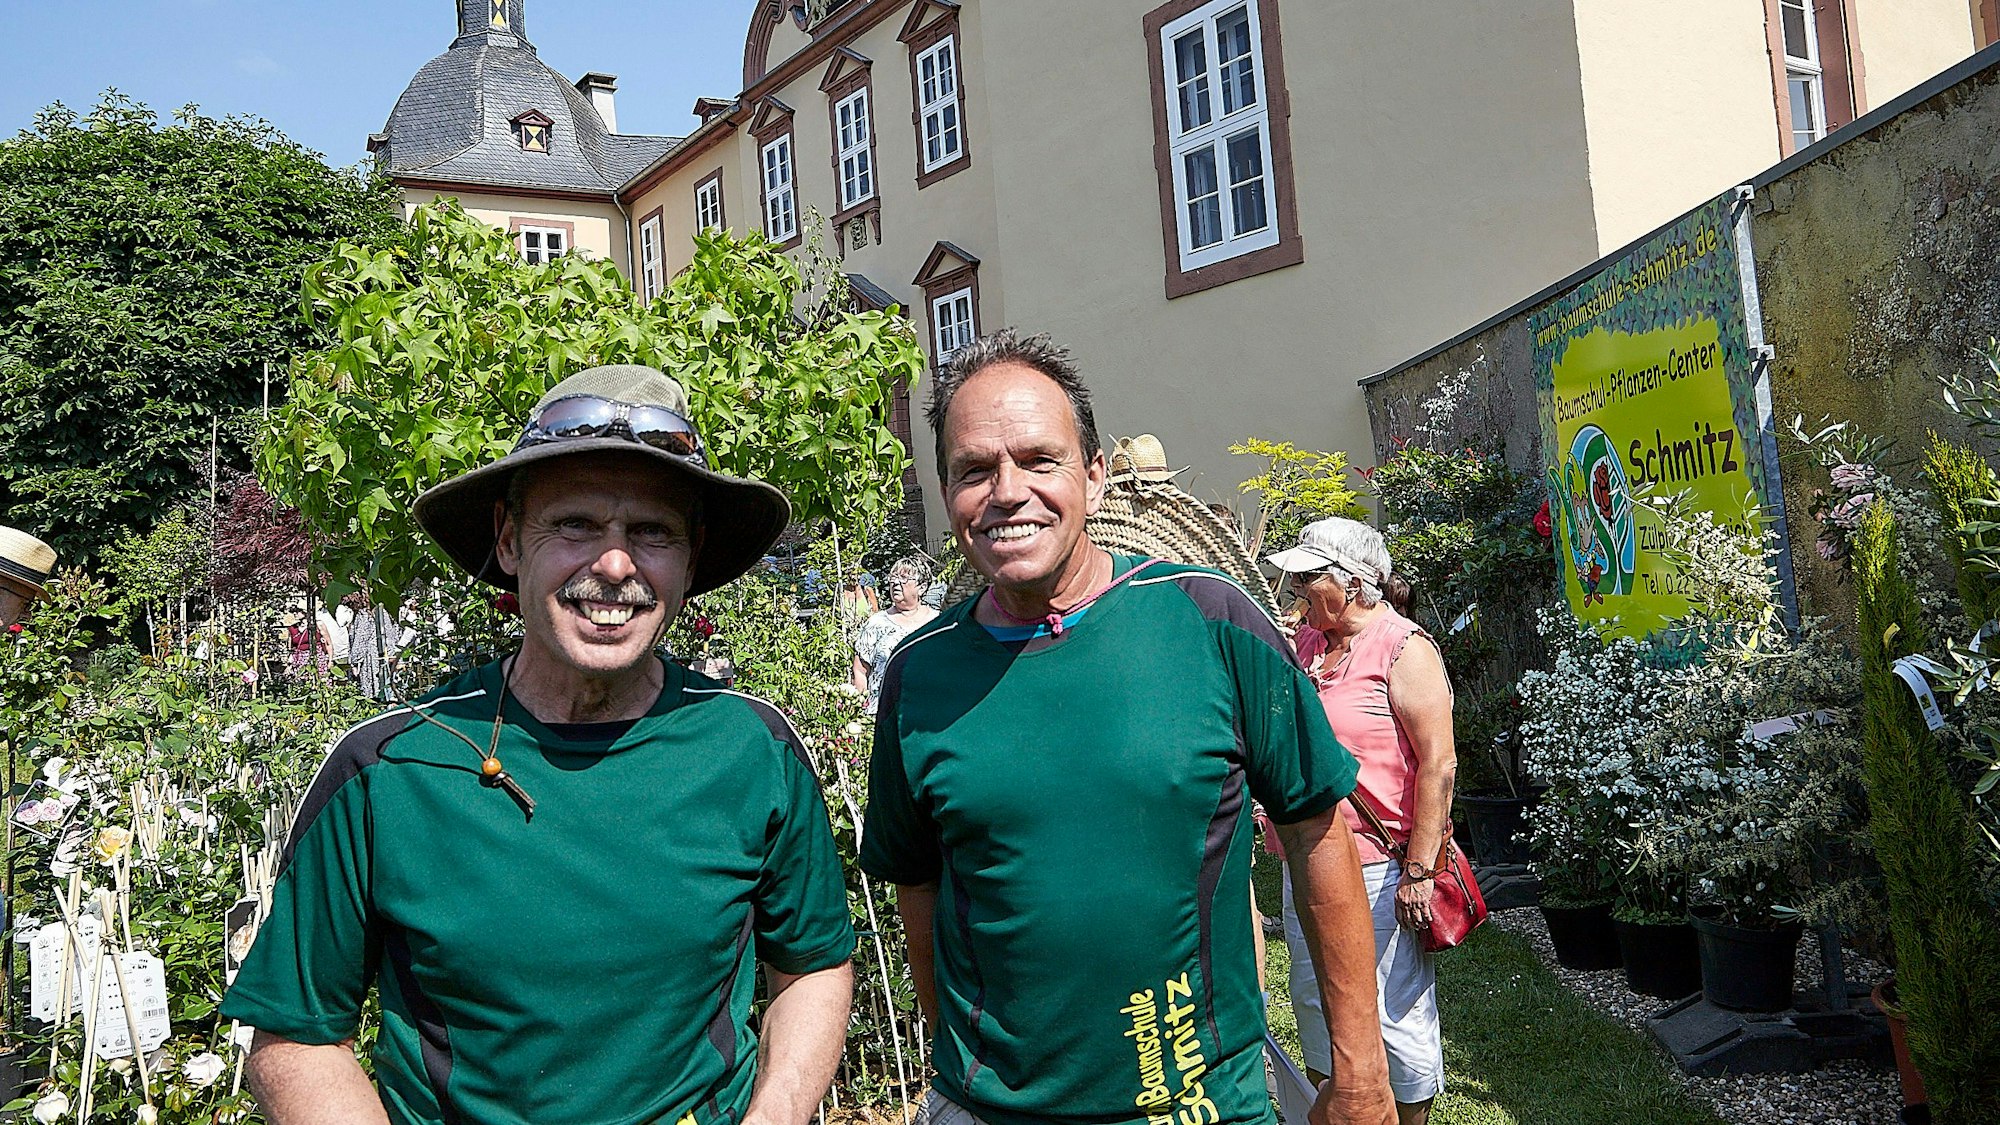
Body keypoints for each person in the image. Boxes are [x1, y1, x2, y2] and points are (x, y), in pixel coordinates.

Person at [222, 365, 857, 1125]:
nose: (615, 564)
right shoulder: (389, 769)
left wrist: (776, 1114)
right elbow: (294, 1032)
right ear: (510, 541)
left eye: (652, 531)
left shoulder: (753, 748)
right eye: (577, 524)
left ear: (690, 561)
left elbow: (812, 963)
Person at [859, 329, 1397, 1125]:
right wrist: (959, 1073)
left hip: (1196, 1104)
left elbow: (1317, 831)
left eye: (1040, 459)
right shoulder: (918, 676)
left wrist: (1358, 1070)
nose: (1007, 491)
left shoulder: (1211, 619)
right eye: (975, 469)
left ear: (1096, 476)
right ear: (947, 494)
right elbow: (919, 885)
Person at [1267, 519, 1456, 1125]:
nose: (1295, 584)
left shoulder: (1405, 648)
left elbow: (1440, 766)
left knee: (1391, 1015)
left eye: (1308, 575)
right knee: (1318, 1007)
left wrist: (1420, 873)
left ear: (1351, 584)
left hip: (1380, 870)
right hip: (1309, 860)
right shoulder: (1305, 646)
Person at [850, 556, 939, 714]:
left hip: (928, 714)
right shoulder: (876, 624)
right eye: (893, 577)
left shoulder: (937, 622)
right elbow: (860, 671)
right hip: (882, 714)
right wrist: (859, 710)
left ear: (922, 587)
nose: (896, 583)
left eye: (904, 578)